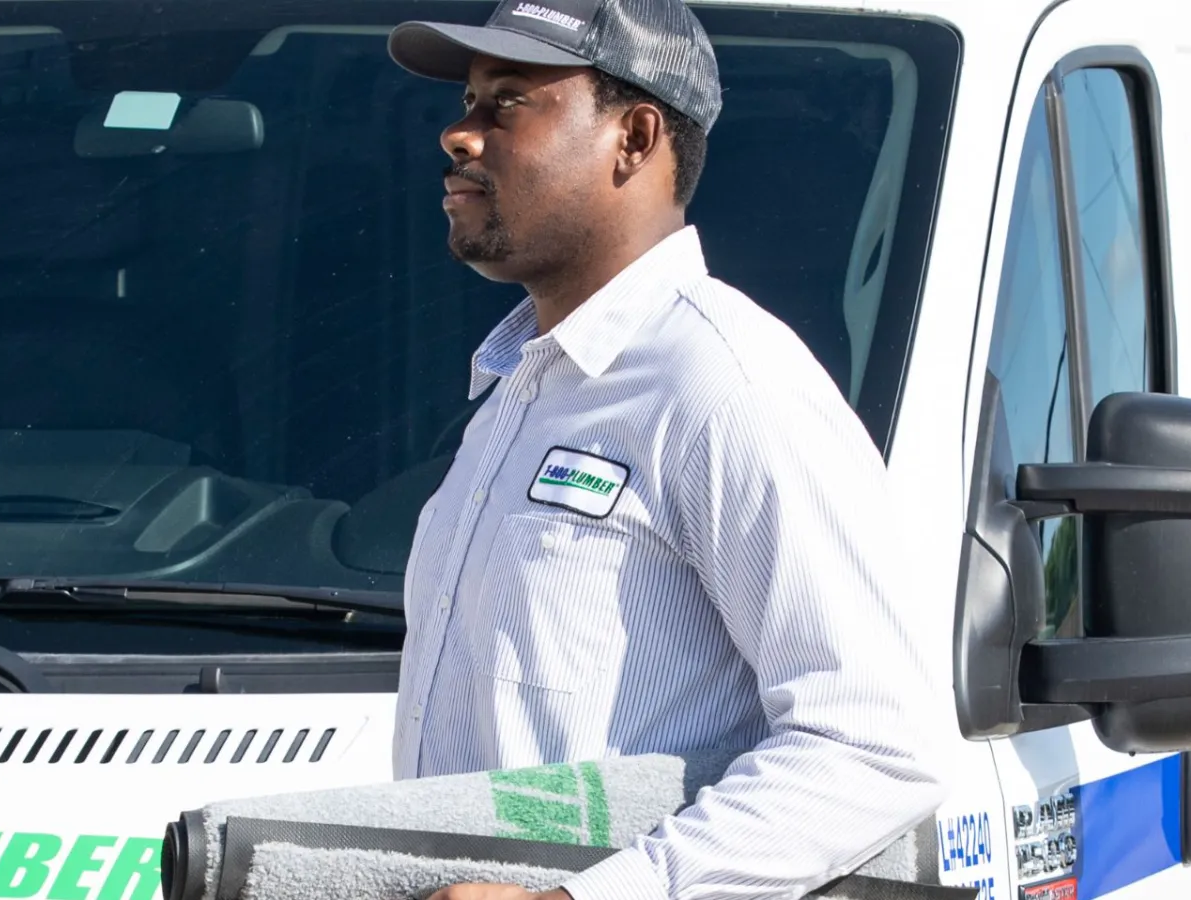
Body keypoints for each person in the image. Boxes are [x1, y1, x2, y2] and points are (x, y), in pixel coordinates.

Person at [381, 1, 950, 899]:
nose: (460, 135)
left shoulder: (726, 384)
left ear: (635, 136)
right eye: (466, 101)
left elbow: (877, 745)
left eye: (508, 102)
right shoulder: (520, 389)